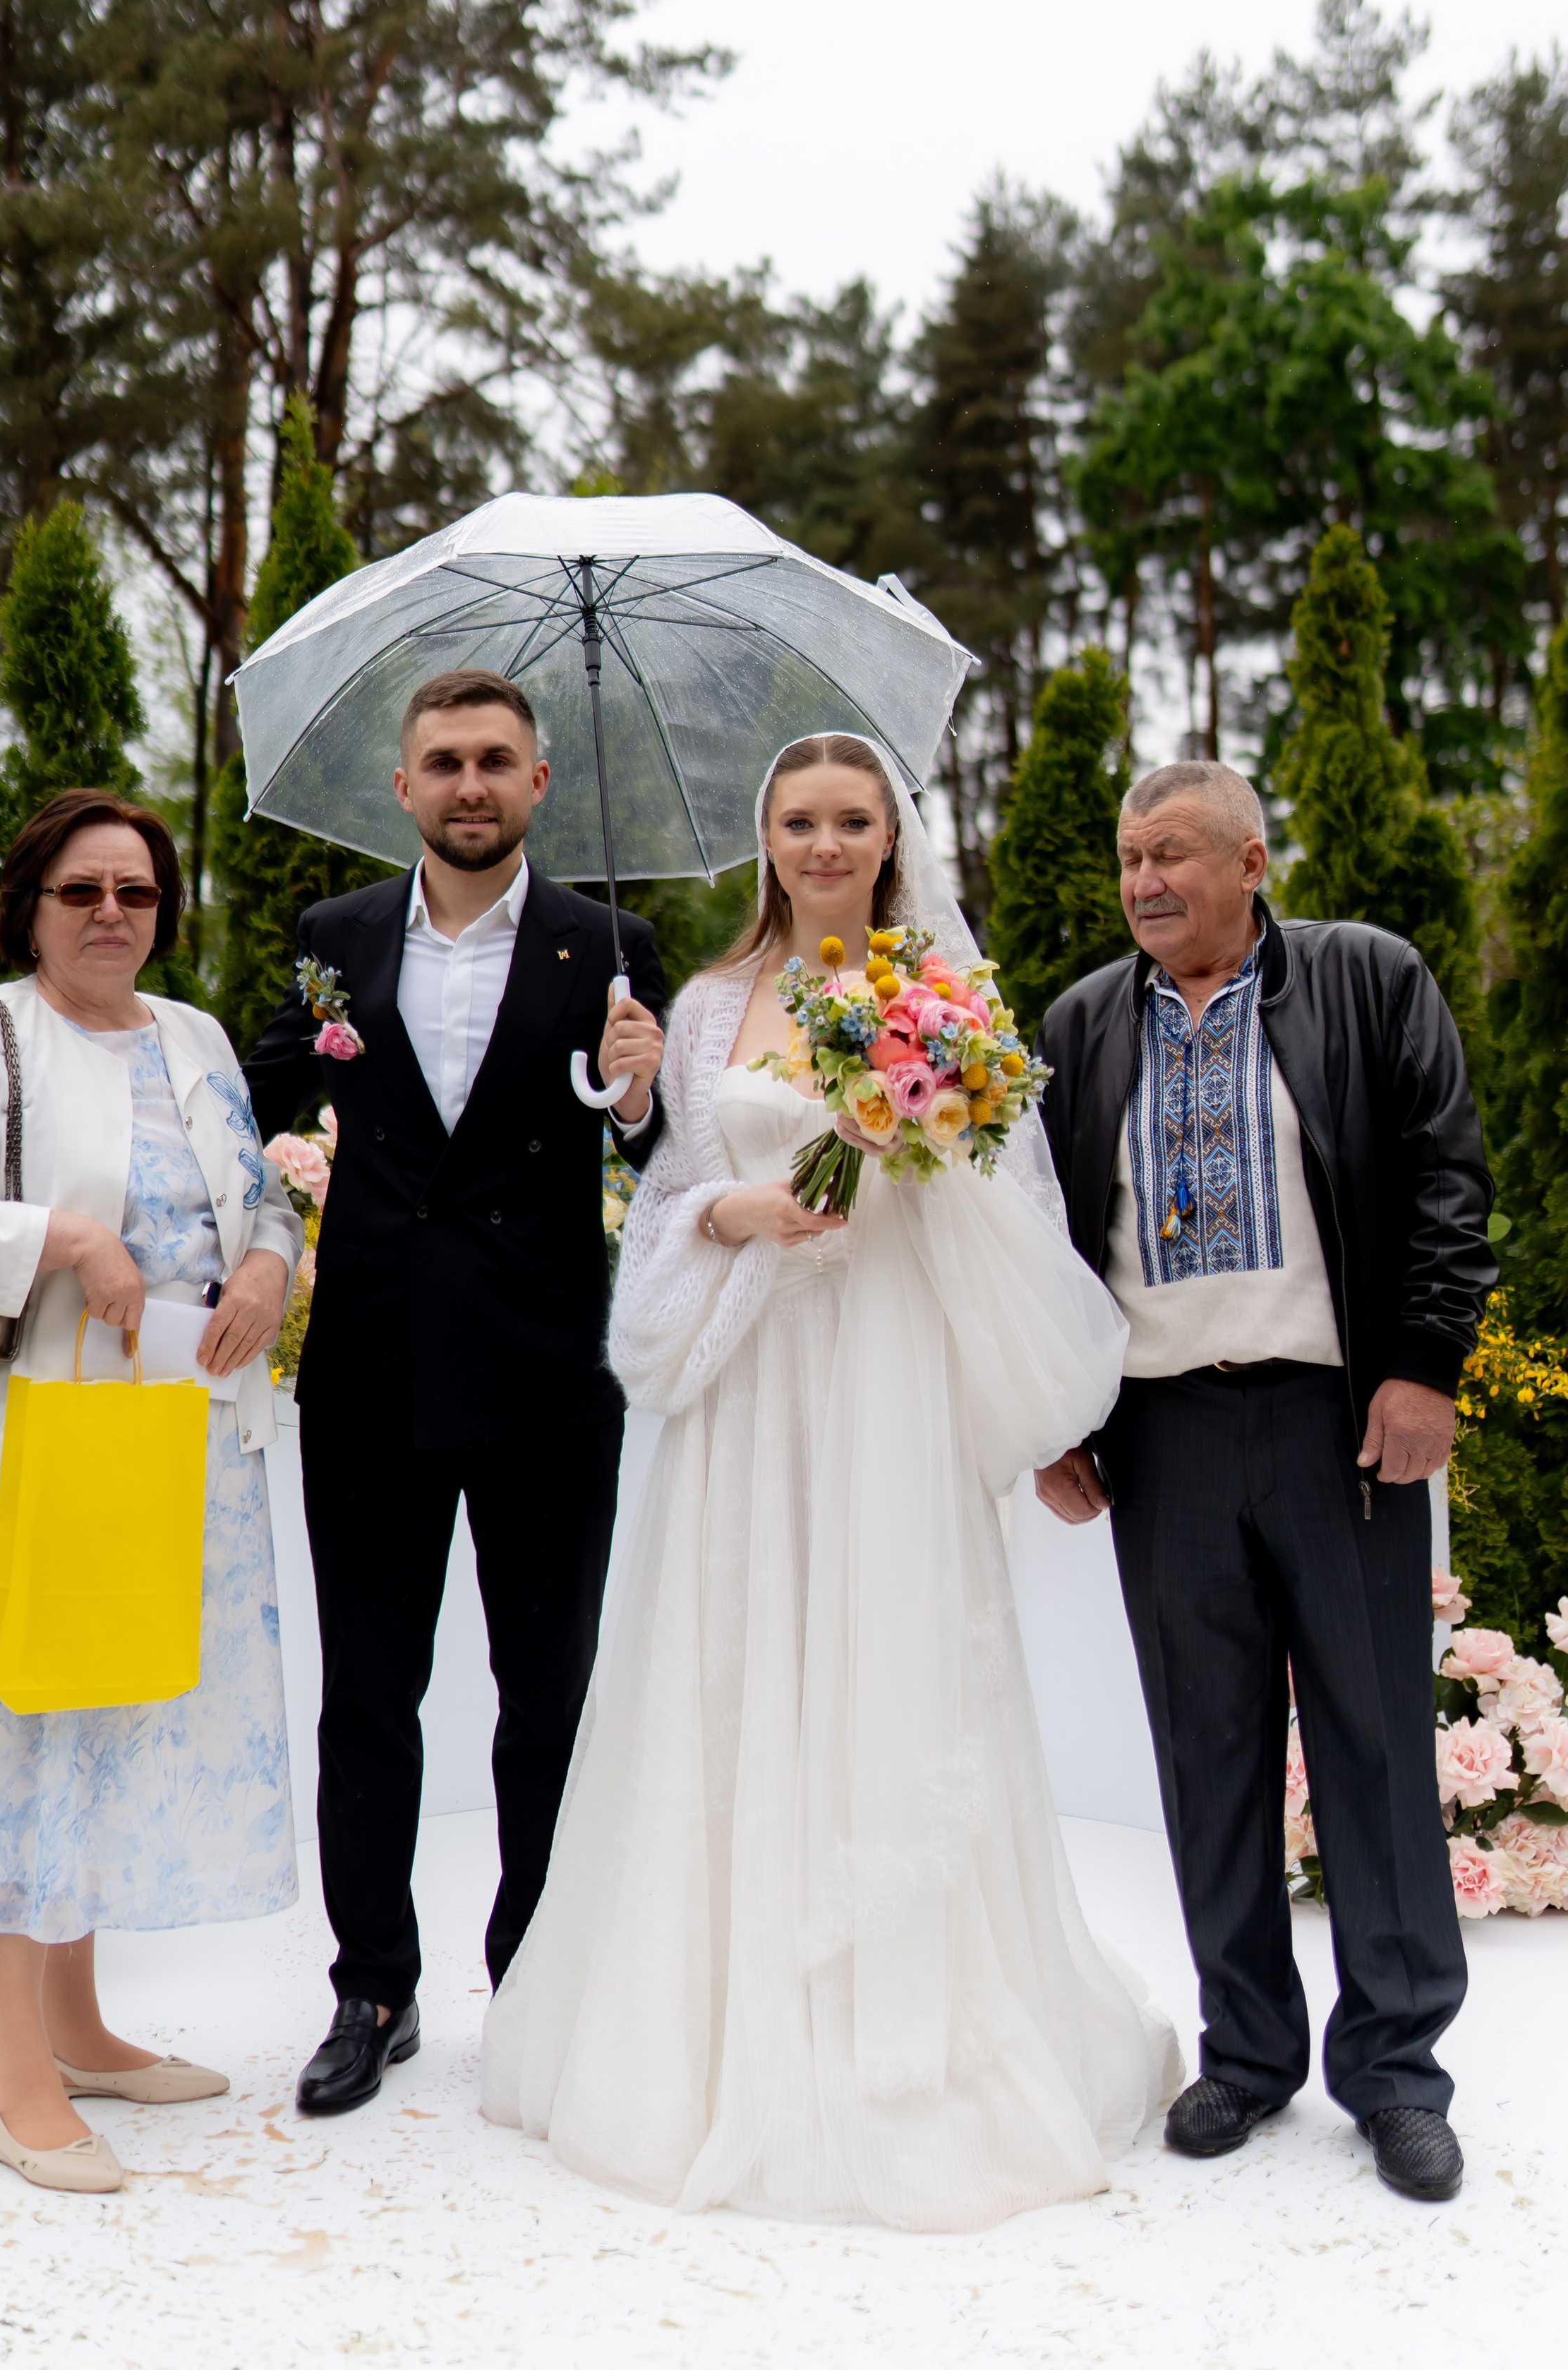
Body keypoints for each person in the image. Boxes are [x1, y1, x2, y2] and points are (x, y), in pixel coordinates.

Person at [481, 732, 1181, 2231]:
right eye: (795, 818)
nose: (820, 842)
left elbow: (998, 1206)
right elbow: (663, 1193)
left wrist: (909, 1135)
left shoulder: (939, 998)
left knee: (891, 1659)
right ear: (764, 834)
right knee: (734, 1668)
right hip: (746, 1389)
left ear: (888, 837)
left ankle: (908, 2026)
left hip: (883, 1377)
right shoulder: (707, 1004)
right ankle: (716, 2024)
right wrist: (735, 1199)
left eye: (847, 818)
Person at [1035, 762, 1496, 2206]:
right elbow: (1044, 1238)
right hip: (1164, 1437)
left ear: (1249, 857)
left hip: (1334, 1424)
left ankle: (1395, 2071)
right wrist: (1047, 1412)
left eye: (1171, 852)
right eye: (1126, 858)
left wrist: (1421, 1363)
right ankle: (1244, 2050)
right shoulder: (1080, 1022)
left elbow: (1441, 1176)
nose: (1143, 881)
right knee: (1205, 1754)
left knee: (1371, 1747)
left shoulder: (1364, 978)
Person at [0, 788, 303, 2195]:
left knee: (103, 1722)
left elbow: (262, 1197)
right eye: (81, 891)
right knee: (11, 1731)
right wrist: (63, 1235)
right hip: (25, 1443)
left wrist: (267, 1267)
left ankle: (80, 2024)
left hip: (173, 1433)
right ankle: (13, 2082)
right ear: (30, 906)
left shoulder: (197, 1037)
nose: (113, 912)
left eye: (137, 890)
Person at [243, 669, 667, 2118]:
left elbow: (660, 1149)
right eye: (444, 761)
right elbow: (270, 1090)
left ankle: (538, 1980)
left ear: (538, 781)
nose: (470, 782)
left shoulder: (611, 946)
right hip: (366, 1369)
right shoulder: (333, 937)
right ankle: (373, 1984)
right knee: (369, 1692)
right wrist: (301, 1065)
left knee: (544, 1696)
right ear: (407, 789)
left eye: (496, 759)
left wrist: (630, 1088)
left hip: (548, 1375)